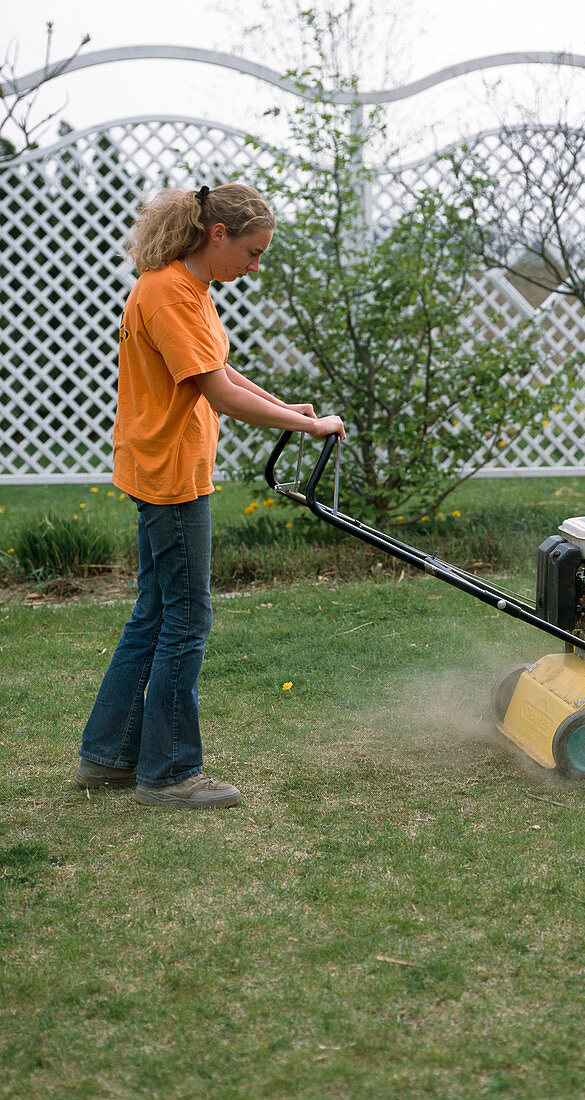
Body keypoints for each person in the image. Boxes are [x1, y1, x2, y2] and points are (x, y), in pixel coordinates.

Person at [74, 183, 345, 808]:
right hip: (170, 479)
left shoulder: (189, 289)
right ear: (216, 234)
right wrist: (307, 427)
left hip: (167, 469)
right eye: (252, 253)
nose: (254, 267)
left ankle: (108, 755)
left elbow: (218, 370)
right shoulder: (167, 292)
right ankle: (168, 774)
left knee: (155, 612)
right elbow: (217, 393)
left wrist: (284, 409)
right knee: (185, 618)